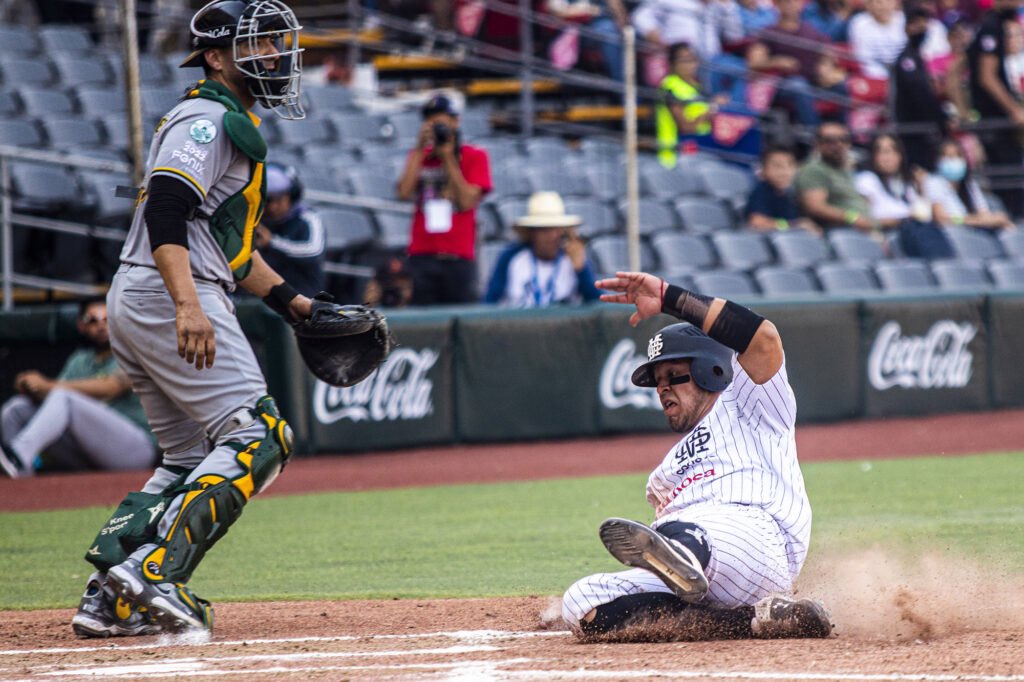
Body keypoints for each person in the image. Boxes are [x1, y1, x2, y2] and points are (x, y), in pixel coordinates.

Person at [68, 0, 319, 640]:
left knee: (188, 457)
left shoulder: (221, 116)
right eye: (258, 44)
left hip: (148, 291)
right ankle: (154, 574)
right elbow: (167, 210)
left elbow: (229, 247)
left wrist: (295, 305)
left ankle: (110, 596)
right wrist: (187, 305)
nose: (275, 55)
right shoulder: (206, 119)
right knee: (261, 436)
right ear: (215, 56)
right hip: (170, 293)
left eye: (276, 43)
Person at [562, 271, 832, 641]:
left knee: (688, 532)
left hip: (757, 540)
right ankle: (757, 619)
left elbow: (763, 338)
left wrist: (669, 297)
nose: (662, 389)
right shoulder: (665, 471)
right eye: (657, 382)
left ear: (711, 370)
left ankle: (682, 552)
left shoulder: (748, 402)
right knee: (580, 603)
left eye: (674, 375)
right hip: (696, 563)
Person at [0, 299, 156, 477]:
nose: (101, 326)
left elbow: (111, 387)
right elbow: (52, 401)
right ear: (81, 326)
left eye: (107, 319)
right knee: (17, 408)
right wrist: (30, 386)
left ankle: (18, 456)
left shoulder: (134, 353)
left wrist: (46, 385)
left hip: (136, 450)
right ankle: (18, 473)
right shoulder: (80, 360)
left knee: (63, 396)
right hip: (90, 452)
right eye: (93, 320)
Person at [397, 93, 493, 305]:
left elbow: (466, 202)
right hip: (422, 254)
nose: (436, 127)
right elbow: (403, 193)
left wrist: (448, 158)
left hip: (458, 256)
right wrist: (420, 150)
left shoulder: (475, 156)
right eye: (430, 122)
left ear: (456, 122)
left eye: (441, 121)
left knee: (460, 317)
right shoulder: (419, 156)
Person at [482, 191, 601, 307]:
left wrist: (581, 270)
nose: (552, 236)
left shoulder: (574, 259)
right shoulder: (511, 257)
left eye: (557, 229)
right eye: (544, 229)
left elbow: (596, 303)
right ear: (532, 232)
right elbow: (490, 303)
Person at [744, 0, 843, 128]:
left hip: (814, 80)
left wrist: (826, 66)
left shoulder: (810, 30)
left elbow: (828, 52)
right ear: (777, 5)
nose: (791, 5)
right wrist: (776, 62)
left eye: (795, 1)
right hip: (783, 85)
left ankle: (844, 133)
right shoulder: (768, 32)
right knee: (798, 85)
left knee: (841, 85)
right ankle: (813, 132)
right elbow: (754, 62)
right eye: (786, 2)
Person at [853, 133, 954, 257]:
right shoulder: (867, 180)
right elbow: (864, 220)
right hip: (891, 235)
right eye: (882, 152)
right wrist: (900, 221)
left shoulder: (906, 183)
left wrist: (922, 190)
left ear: (900, 155)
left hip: (915, 233)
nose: (888, 158)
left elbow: (924, 215)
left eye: (892, 151)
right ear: (873, 156)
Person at [968, 0, 1024, 218]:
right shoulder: (991, 27)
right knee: (1009, 184)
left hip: (997, 120)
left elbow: (957, 69)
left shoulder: (994, 25)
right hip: (995, 121)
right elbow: (987, 76)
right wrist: (1014, 110)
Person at [892, 2, 952, 173]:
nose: (921, 28)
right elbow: (920, 94)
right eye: (915, 24)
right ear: (906, 28)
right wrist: (941, 118)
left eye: (924, 23)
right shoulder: (907, 60)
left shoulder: (918, 57)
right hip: (913, 130)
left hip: (924, 130)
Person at [254, 162, 326, 297]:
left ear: (292, 195)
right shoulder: (253, 219)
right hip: (260, 294)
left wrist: (272, 242)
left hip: (301, 293)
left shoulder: (308, 217)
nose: (273, 207)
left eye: (279, 199)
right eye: (267, 200)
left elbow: (313, 251)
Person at [656, 42, 730, 169]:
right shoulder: (670, 86)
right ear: (672, 64)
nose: (690, 65)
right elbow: (686, 128)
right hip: (676, 156)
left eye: (692, 59)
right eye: (684, 60)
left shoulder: (697, 87)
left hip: (700, 150)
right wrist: (712, 109)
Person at [794, 121, 876, 232]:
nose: (839, 144)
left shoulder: (845, 169)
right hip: (843, 233)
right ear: (818, 144)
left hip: (866, 231)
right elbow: (816, 207)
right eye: (831, 141)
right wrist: (852, 217)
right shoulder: (814, 169)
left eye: (844, 139)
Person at [925, 138, 1018, 230]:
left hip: (974, 232)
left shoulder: (970, 184)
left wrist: (995, 219)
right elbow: (942, 218)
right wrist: (969, 220)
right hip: (952, 233)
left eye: (958, 156)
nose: (954, 160)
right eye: (949, 157)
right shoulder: (934, 182)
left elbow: (983, 213)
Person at [745, 146, 820, 233]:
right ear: (763, 170)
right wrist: (791, 225)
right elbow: (757, 222)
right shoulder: (761, 192)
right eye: (777, 166)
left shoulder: (790, 195)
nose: (785, 172)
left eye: (790, 165)